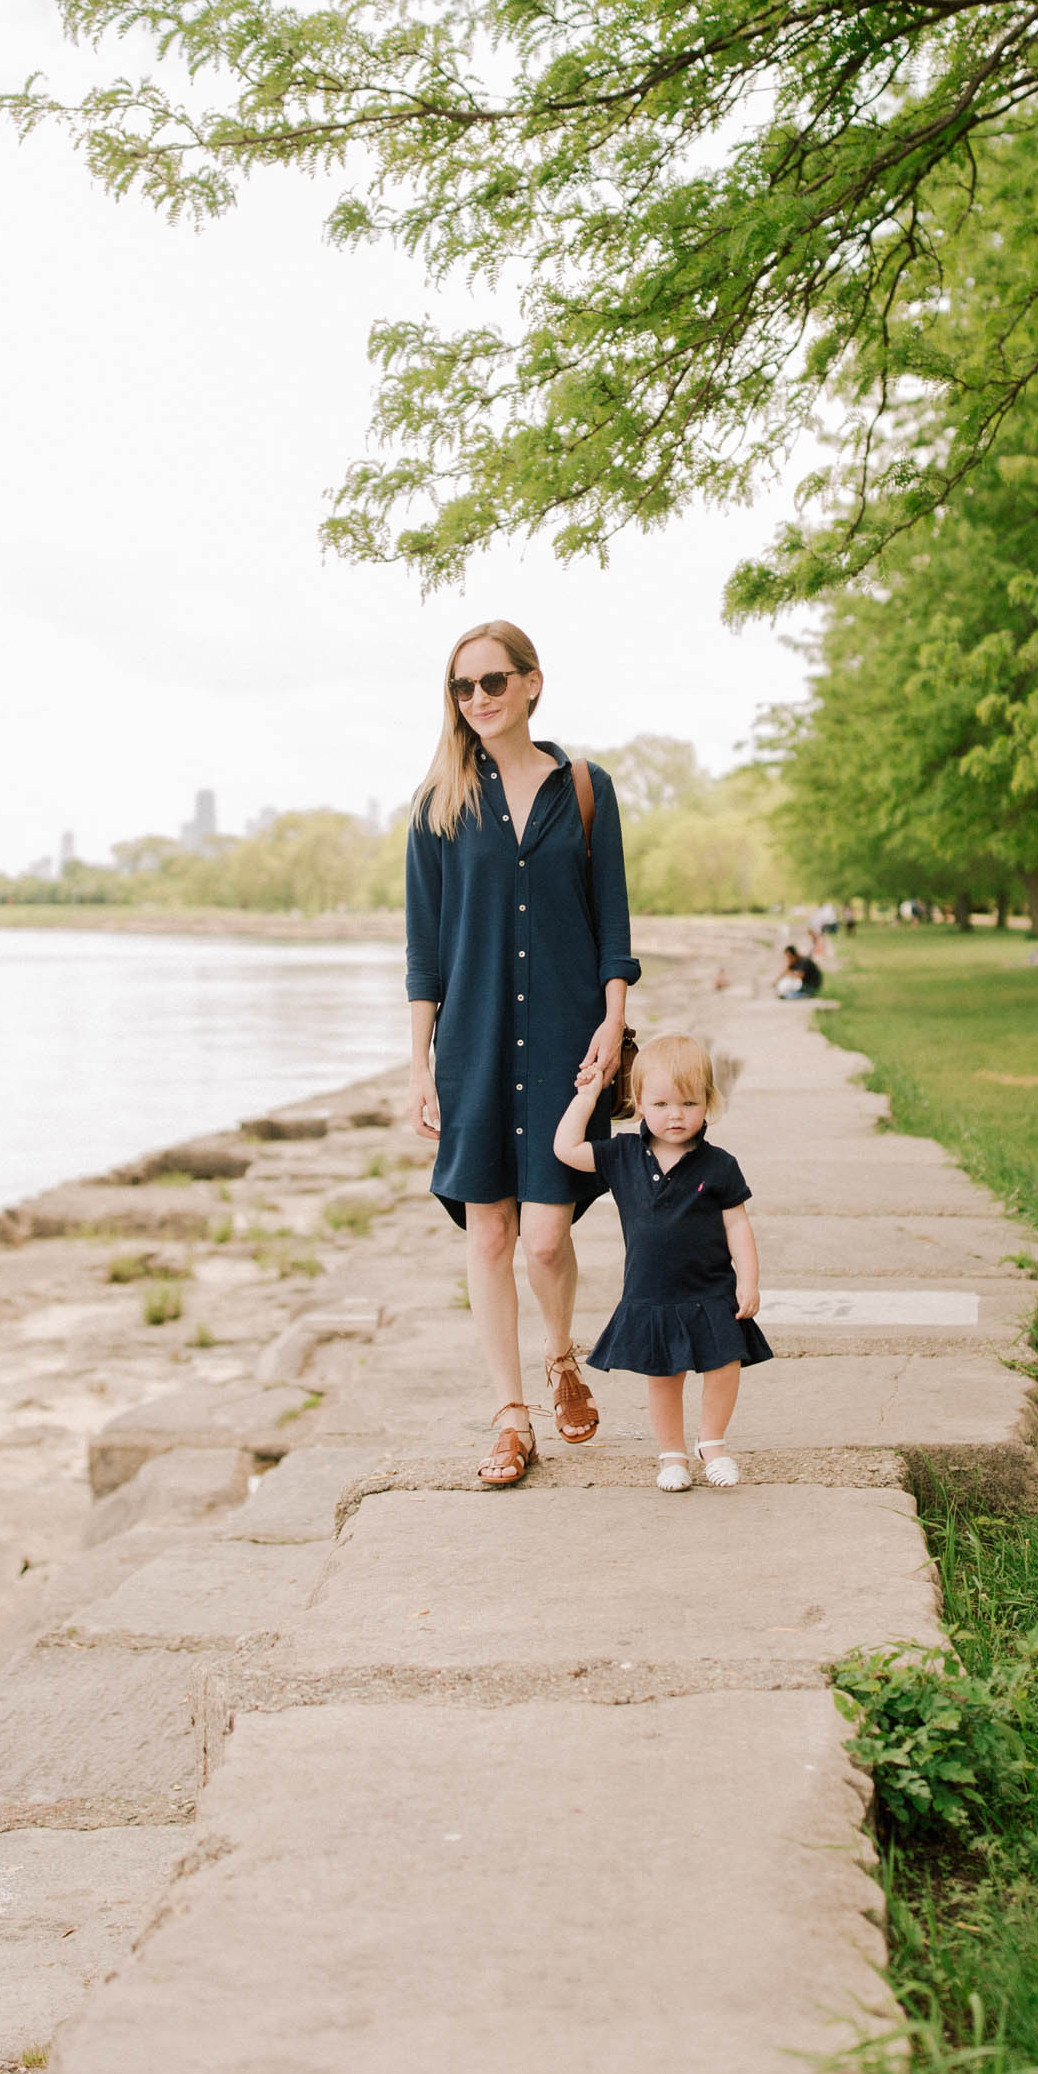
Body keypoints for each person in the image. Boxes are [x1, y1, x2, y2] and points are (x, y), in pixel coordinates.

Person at [405, 620, 639, 1489]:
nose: (479, 701)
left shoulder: (584, 788)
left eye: (494, 682)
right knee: (489, 1231)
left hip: (565, 1043)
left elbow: (612, 920)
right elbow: (424, 951)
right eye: (463, 689)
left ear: (533, 683)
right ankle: (511, 1419)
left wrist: (613, 1025)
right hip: (469, 1043)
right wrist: (419, 1063)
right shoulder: (437, 804)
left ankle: (560, 1355)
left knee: (545, 1240)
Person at [556, 1033, 771, 1492]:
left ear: (709, 1104)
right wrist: (589, 1095)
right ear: (639, 1103)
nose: (676, 1115)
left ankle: (711, 1442)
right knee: (663, 1375)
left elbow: (738, 1227)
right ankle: (671, 1454)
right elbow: (565, 1149)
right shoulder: (622, 1156)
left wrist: (748, 1283)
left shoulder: (719, 1165)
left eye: (689, 1103)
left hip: (711, 1289)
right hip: (651, 1293)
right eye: (662, 1103)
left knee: (724, 1365)